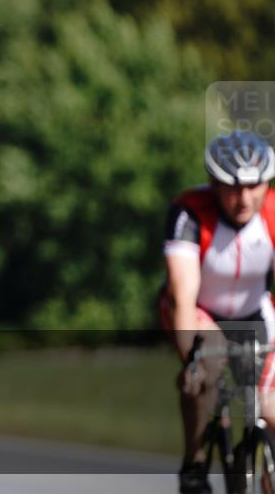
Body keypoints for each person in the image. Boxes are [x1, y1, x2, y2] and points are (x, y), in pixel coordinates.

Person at [159, 130, 275, 493]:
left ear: (267, 183)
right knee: (203, 374)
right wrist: (193, 362)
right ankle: (194, 462)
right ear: (213, 182)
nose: (244, 198)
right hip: (200, 311)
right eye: (232, 187)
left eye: (254, 186)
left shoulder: (272, 212)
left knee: (271, 407)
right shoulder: (190, 211)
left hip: (255, 311)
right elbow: (182, 293)